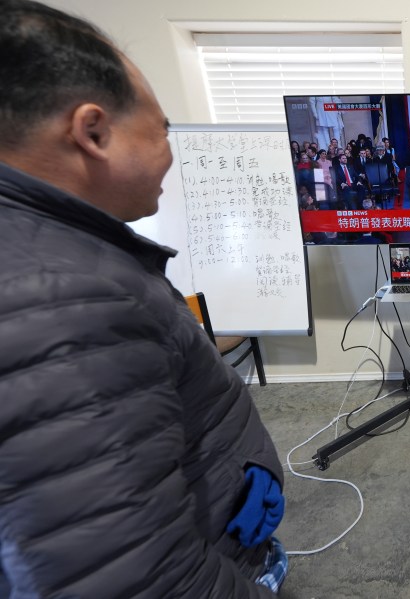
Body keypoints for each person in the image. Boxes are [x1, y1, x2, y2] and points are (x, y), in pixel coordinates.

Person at [0, 1, 287, 596]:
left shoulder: (50, 255)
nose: (171, 152)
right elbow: (129, 574)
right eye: (162, 130)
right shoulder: (63, 303)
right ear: (93, 131)